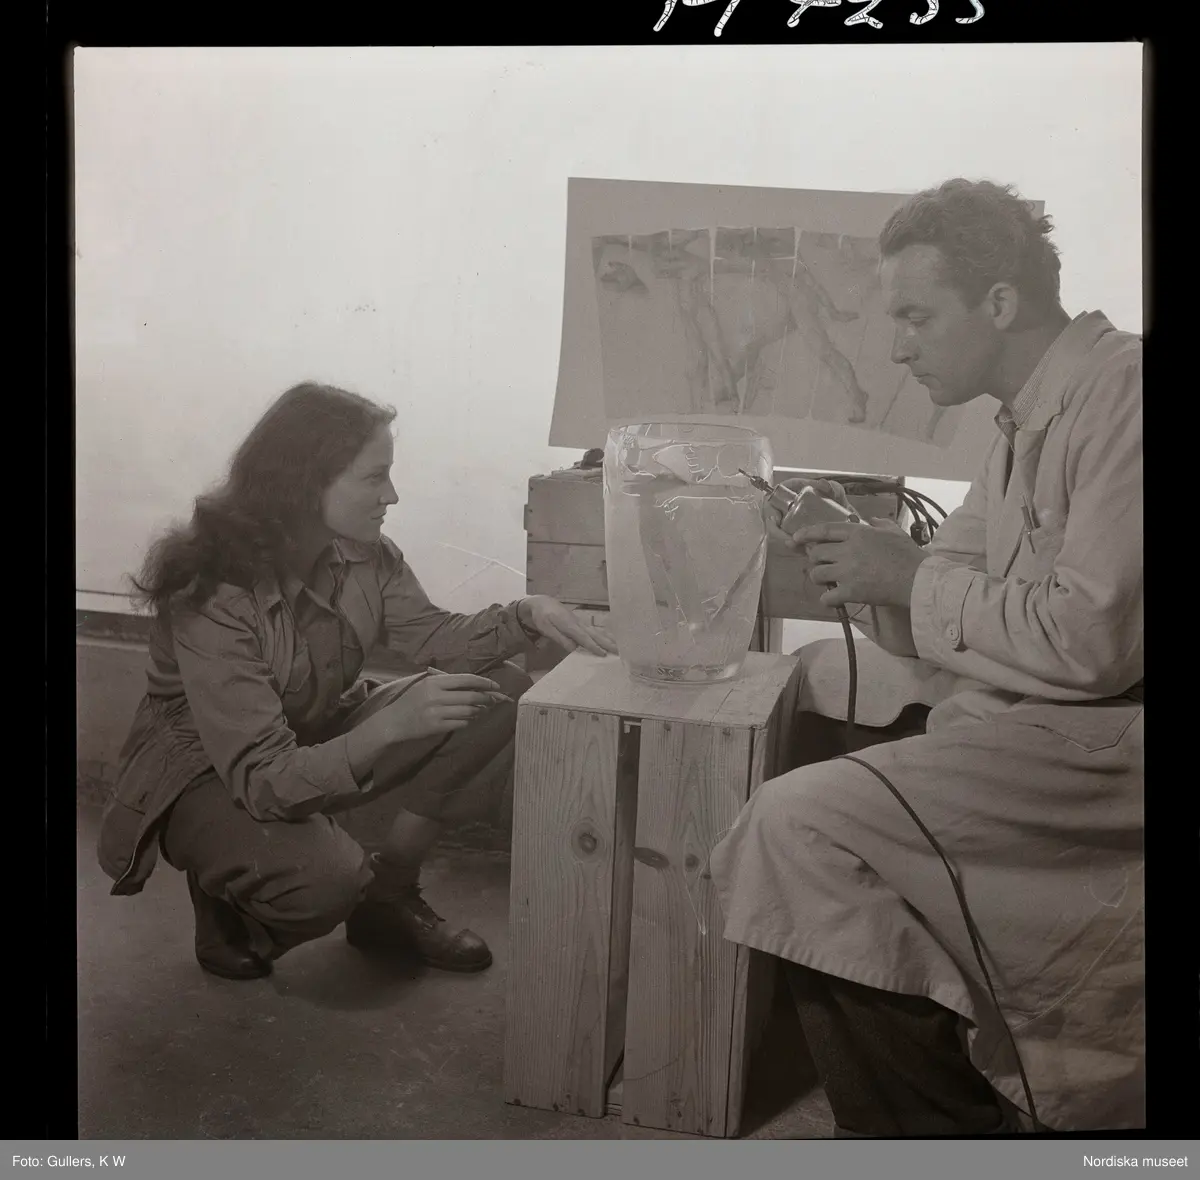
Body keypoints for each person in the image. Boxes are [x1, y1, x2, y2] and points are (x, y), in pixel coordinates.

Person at [709, 179, 1143, 1135]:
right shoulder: (1024, 418)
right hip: (1043, 723)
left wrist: (906, 576)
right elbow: (942, 602)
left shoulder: (1127, 391)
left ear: (1000, 301)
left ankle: (938, 1139)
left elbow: (1092, 643)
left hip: (1113, 745)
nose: (897, 347)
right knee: (808, 788)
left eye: (916, 316)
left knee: (794, 825)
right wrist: (863, 564)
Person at [97, 382, 616, 981]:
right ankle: (228, 894)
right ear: (304, 483)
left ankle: (387, 897)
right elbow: (262, 778)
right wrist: (392, 725)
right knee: (326, 883)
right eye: (374, 478)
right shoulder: (213, 590)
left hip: (305, 732)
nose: (391, 495)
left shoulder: (365, 552)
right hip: (210, 772)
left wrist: (527, 615)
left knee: (497, 693)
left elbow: (433, 636)